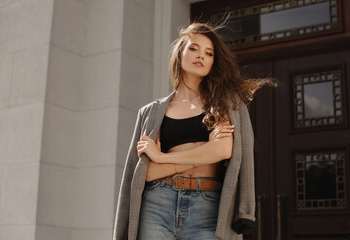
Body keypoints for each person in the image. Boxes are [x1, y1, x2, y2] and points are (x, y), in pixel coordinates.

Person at [113, 22, 274, 240]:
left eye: (209, 53)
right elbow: (147, 173)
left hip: (207, 207)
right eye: (193, 49)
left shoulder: (223, 102)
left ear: (213, 63)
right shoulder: (151, 112)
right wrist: (205, 150)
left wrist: (161, 157)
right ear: (180, 54)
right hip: (157, 204)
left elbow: (222, 151)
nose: (201, 56)